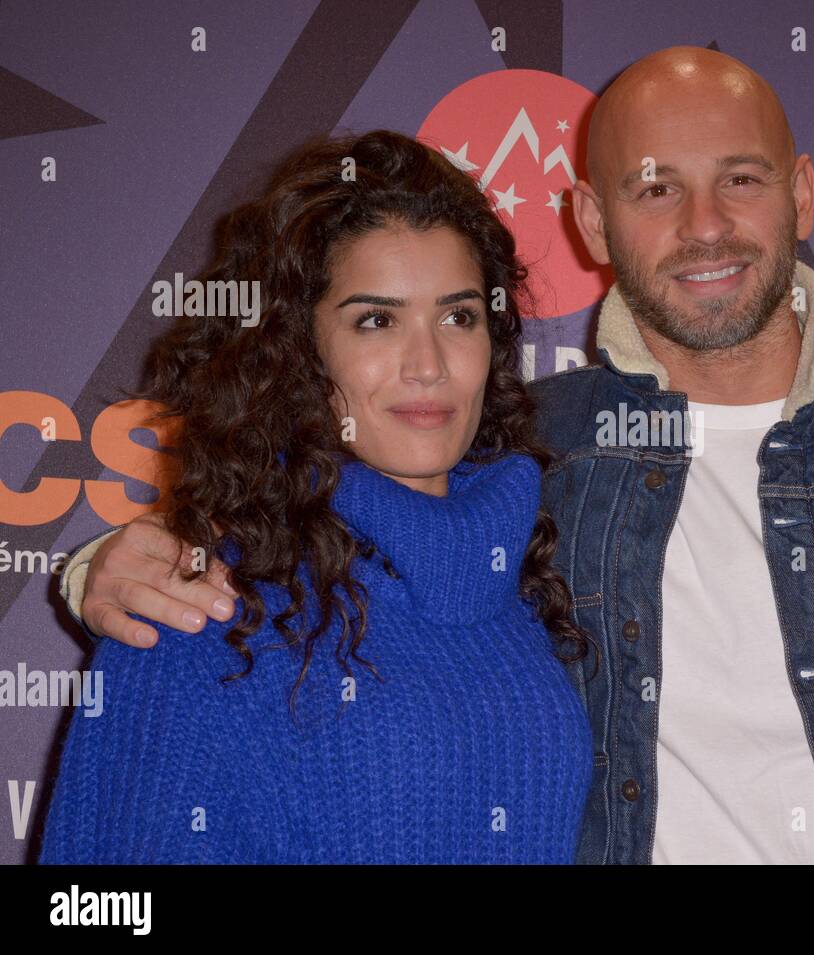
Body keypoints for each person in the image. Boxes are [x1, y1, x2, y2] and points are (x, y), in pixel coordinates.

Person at [57, 46, 814, 864]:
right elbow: (317, 515)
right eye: (655, 187)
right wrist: (109, 560)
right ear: (589, 219)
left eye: (743, 179)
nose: (705, 225)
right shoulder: (537, 450)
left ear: (803, 193)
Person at [40, 130, 593, 864]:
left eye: (458, 316)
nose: (428, 364)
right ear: (300, 349)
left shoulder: (522, 576)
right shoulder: (200, 604)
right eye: (376, 320)